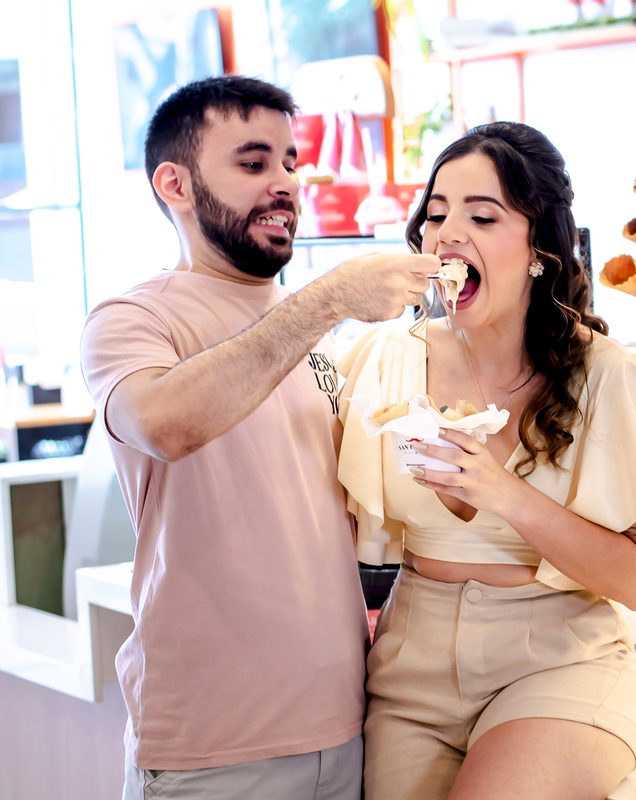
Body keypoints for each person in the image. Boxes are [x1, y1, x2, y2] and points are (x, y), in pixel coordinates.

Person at [79, 75, 439, 800]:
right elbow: (166, 423)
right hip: (214, 747)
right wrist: (330, 297)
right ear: (175, 184)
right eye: (253, 164)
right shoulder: (131, 319)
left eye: (290, 163)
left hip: (344, 726)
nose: (284, 184)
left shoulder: (316, 333)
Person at [336, 122, 636, 799]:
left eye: (482, 215)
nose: (448, 232)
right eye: (436, 214)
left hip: (556, 664)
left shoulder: (609, 378)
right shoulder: (384, 357)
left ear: (538, 246)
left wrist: (504, 491)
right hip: (409, 664)